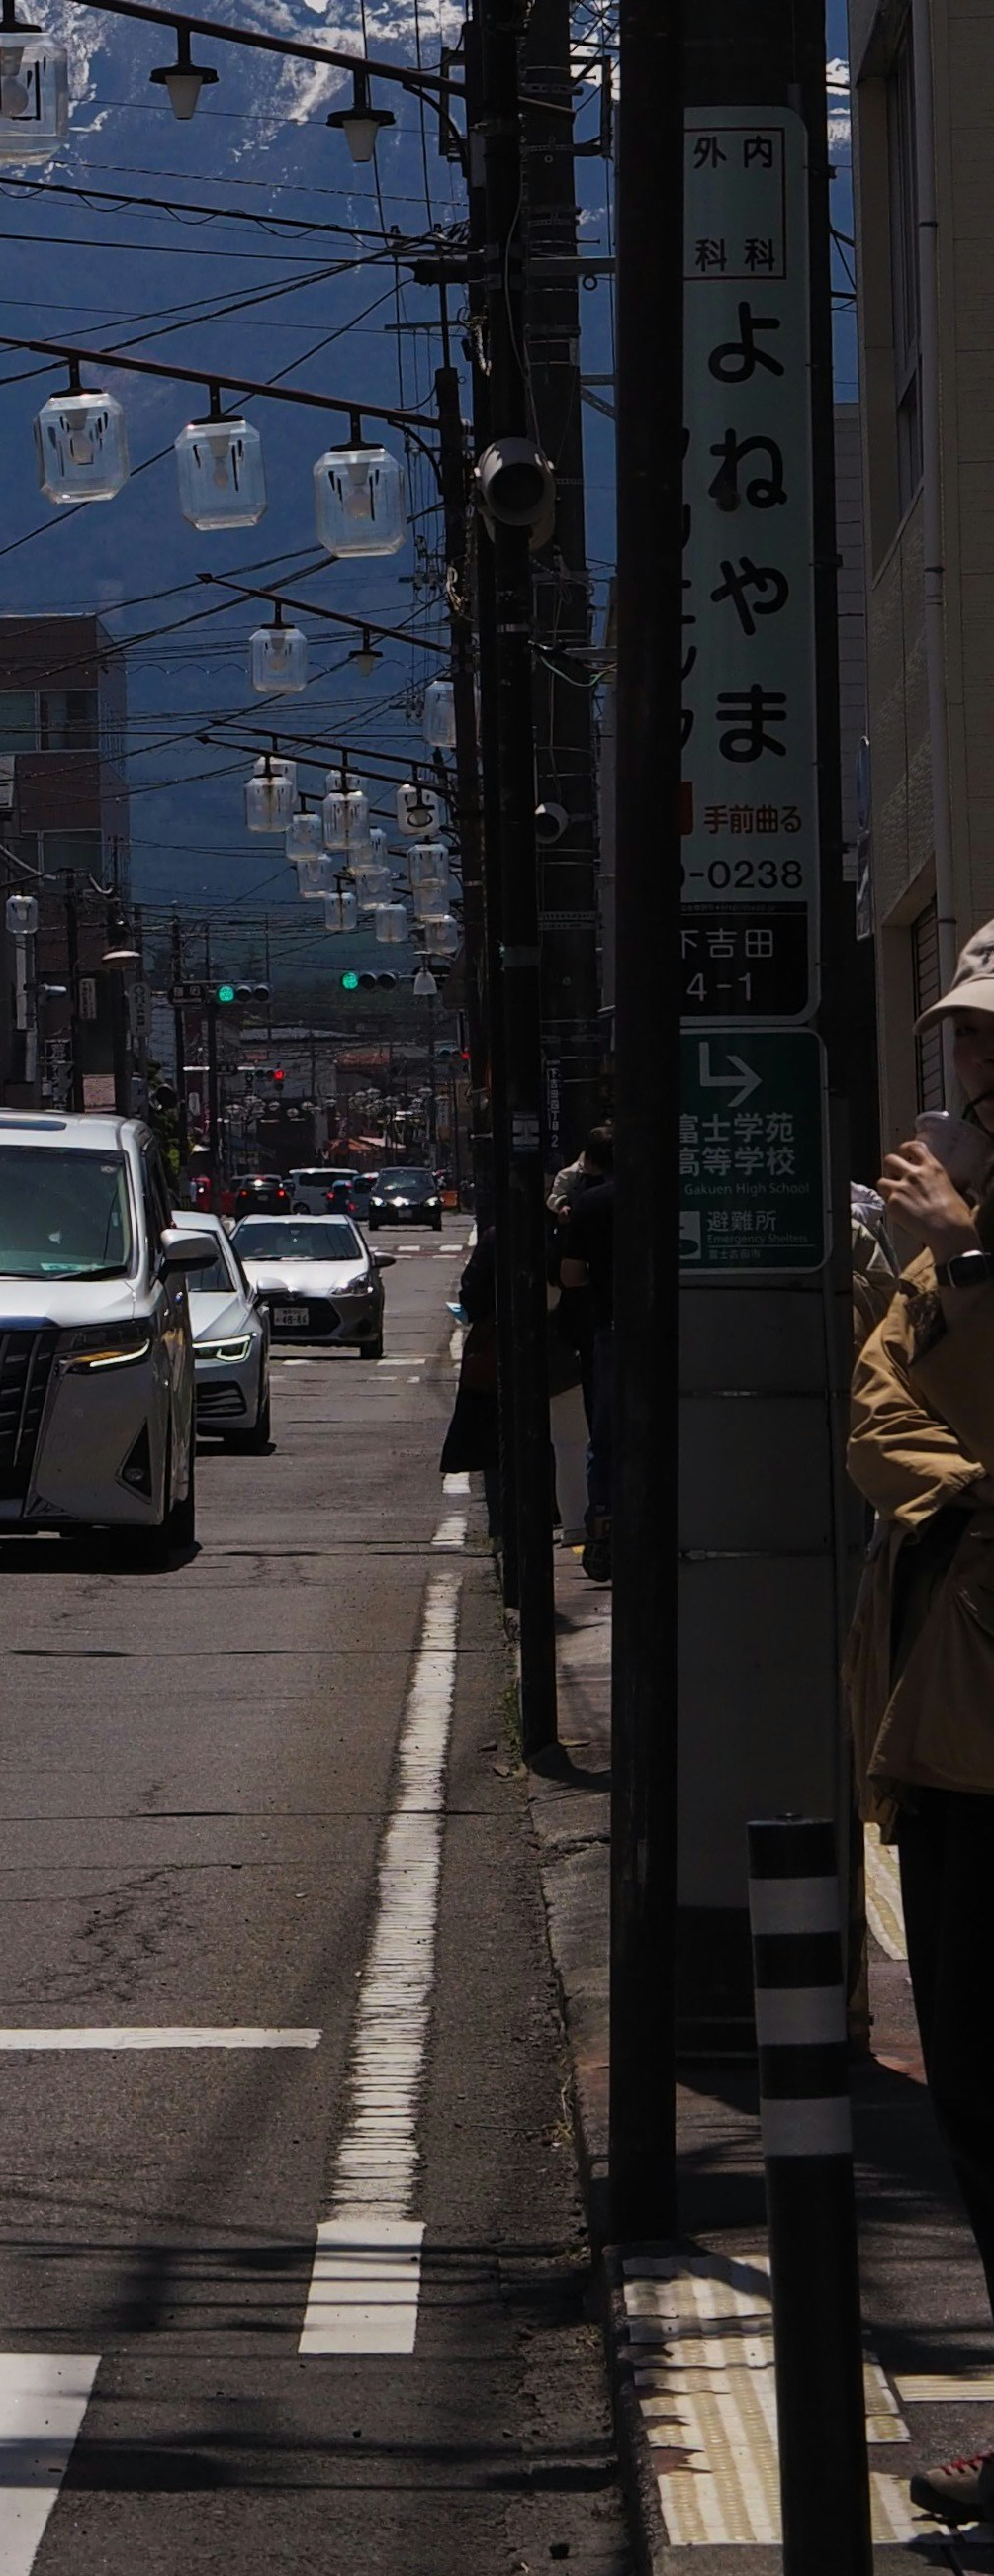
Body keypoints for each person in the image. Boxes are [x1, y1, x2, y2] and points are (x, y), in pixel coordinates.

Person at [851, 928, 994, 2530]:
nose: (972, 1074)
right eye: (965, 1043)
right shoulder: (939, 1236)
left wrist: (962, 1266)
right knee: (968, 2082)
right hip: (948, 1704)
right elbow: (883, 1415)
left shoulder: (958, 1241)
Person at [551, 1122, 617, 1577]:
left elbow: (570, 1276)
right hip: (676, 1331)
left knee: (607, 1434)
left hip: (611, 1327)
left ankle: (604, 1526)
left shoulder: (591, 1205)